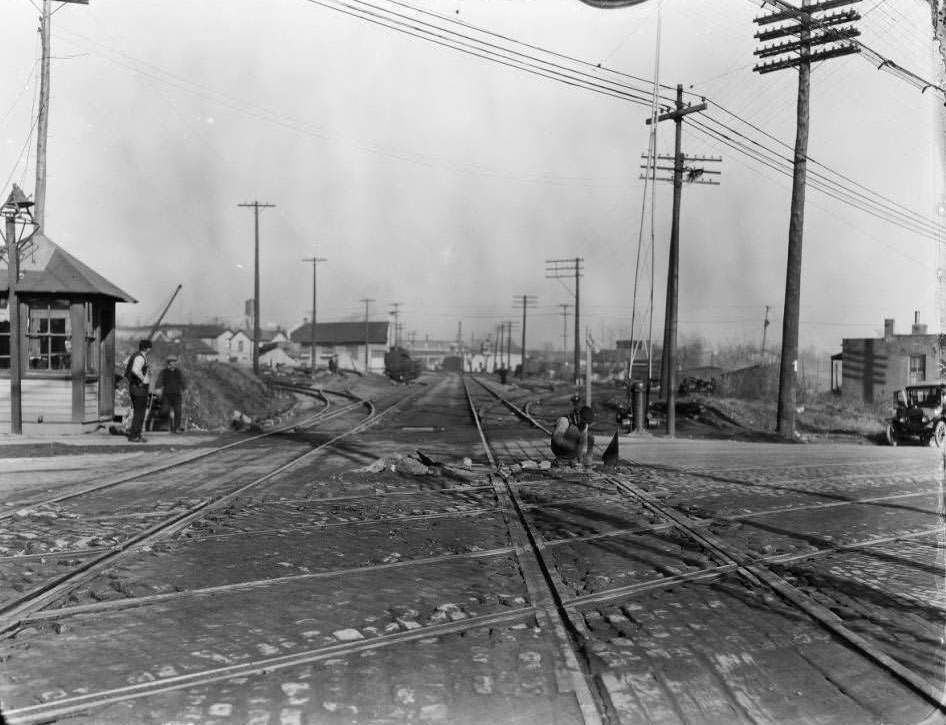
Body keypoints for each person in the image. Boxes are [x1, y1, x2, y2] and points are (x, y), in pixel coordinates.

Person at [126, 339, 152, 443]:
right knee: (140, 413)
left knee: (139, 412)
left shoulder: (136, 355)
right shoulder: (140, 358)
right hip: (139, 388)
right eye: (149, 348)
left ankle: (136, 434)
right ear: (147, 348)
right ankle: (134, 435)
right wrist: (143, 378)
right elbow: (135, 370)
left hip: (135, 387)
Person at [156, 355, 187, 433]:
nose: (173, 364)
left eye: (174, 363)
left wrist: (185, 389)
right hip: (167, 395)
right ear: (168, 364)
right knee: (164, 411)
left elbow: (183, 381)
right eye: (171, 363)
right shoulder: (164, 372)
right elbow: (159, 381)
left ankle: (176, 428)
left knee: (178, 411)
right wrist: (158, 388)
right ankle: (167, 424)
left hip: (177, 395)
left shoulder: (178, 372)